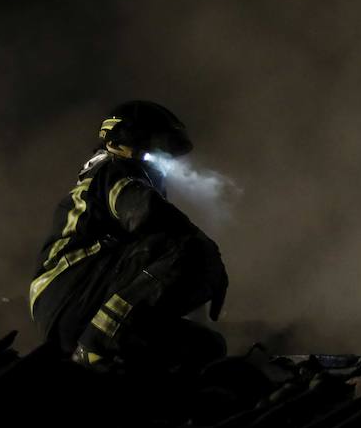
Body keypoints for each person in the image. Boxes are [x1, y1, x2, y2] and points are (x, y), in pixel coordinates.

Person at [29, 100, 228, 367]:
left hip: (84, 303)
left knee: (207, 347)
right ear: (130, 142)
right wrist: (205, 256)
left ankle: (113, 363)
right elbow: (144, 211)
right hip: (69, 292)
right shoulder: (110, 171)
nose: (165, 160)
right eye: (160, 148)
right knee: (192, 250)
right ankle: (95, 350)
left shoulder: (112, 175)